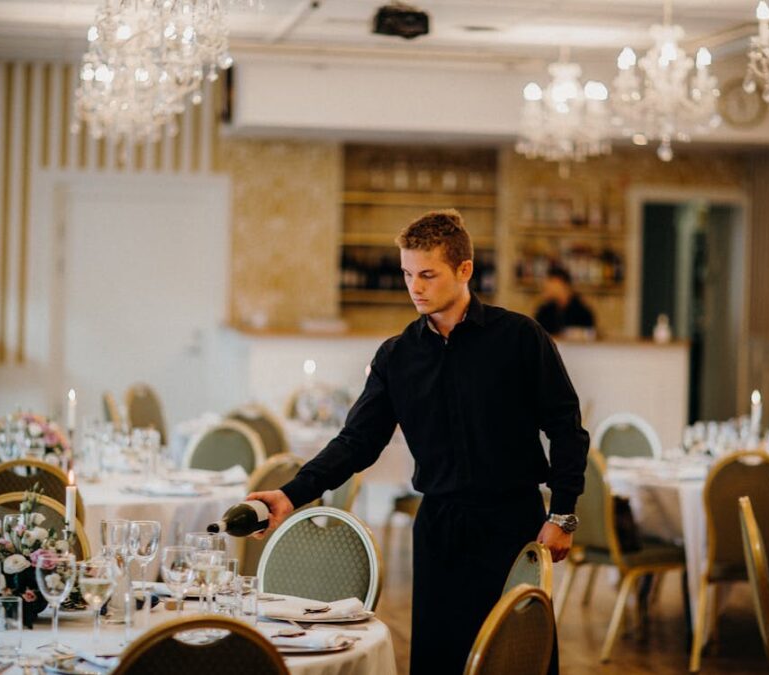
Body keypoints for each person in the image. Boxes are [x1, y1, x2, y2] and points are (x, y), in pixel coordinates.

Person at [247, 209, 589, 675]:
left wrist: (563, 513)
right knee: (438, 662)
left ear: (464, 270)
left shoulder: (520, 338)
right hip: (439, 530)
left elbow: (566, 427)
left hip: (514, 525)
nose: (415, 287)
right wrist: (292, 494)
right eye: (408, 274)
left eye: (428, 274)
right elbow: (356, 442)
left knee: (520, 661)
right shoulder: (397, 356)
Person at [534, 266, 596, 337]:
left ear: (560, 282)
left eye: (550, 280)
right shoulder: (544, 311)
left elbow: (591, 336)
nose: (545, 284)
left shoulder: (583, 312)